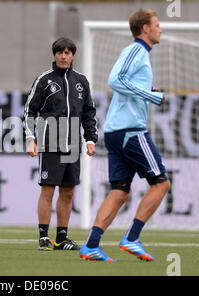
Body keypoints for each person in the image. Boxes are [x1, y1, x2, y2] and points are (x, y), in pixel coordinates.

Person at [79, 9, 171, 262]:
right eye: (157, 24)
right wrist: (152, 96)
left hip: (116, 132)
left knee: (120, 191)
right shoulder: (136, 50)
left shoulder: (140, 54)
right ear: (145, 29)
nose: (160, 29)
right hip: (130, 130)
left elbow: (127, 85)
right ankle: (132, 238)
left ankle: (91, 245)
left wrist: (147, 89)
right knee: (161, 183)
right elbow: (115, 79)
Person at [24, 37, 98, 251]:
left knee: (68, 192)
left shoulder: (82, 81)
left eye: (68, 52)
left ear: (73, 55)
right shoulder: (44, 80)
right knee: (48, 190)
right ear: (54, 55)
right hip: (50, 143)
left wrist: (90, 139)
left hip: (73, 145)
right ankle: (43, 237)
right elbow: (30, 111)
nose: (64, 56)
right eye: (60, 52)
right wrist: (31, 139)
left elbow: (89, 113)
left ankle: (62, 239)